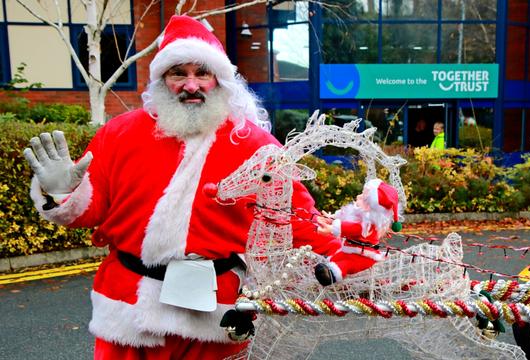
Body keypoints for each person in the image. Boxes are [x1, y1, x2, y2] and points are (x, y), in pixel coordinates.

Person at [23, 15, 340, 359]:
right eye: (179, 73)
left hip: (216, 312)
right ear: (162, 80)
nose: (192, 85)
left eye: (202, 73)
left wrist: (350, 253)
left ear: (218, 80)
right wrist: (60, 193)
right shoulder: (118, 134)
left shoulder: (255, 144)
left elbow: (295, 217)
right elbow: (92, 208)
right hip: (128, 307)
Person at [314, 179, 402, 286]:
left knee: (347, 264)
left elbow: (353, 228)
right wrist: (331, 218)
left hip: (363, 256)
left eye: (363, 196)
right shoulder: (360, 214)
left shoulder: (368, 225)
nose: (358, 196)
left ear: (370, 206)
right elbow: (345, 216)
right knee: (338, 256)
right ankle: (328, 266)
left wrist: (332, 229)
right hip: (350, 250)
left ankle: (331, 274)